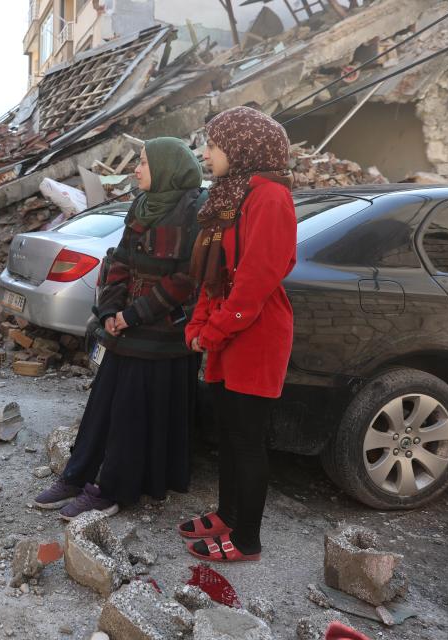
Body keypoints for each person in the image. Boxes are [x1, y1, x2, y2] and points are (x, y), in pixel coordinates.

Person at [33, 137, 204, 519]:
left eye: (144, 163)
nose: (136, 169)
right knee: (102, 405)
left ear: (166, 168)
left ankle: (111, 489)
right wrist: (110, 308)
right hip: (126, 326)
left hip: (163, 334)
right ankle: (77, 475)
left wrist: (134, 314)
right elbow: (121, 260)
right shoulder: (143, 205)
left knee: (131, 413)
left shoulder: (194, 211)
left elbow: (186, 279)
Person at [179, 106, 297, 562]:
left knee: (247, 438)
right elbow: (217, 273)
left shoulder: (269, 197)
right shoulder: (233, 194)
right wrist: (200, 322)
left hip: (256, 333)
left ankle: (246, 538)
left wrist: (214, 330)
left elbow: (256, 279)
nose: (206, 154)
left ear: (242, 148)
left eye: (214, 145)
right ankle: (228, 514)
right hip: (231, 329)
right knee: (228, 433)